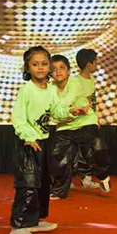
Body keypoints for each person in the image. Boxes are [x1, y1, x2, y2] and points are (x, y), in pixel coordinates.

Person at [8, 46, 60, 234]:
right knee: (28, 184)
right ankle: (18, 225)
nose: (40, 67)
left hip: (43, 142)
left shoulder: (52, 89)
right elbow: (18, 118)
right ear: (27, 68)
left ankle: (34, 220)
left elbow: (56, 111)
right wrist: (28, 136)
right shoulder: (26, 90)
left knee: (42, 183)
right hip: (27, 143)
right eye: (35, 64)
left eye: (44, 64)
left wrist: (71, 111)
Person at [58, 50, 106, 193]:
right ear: (88, 64)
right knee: (73, 154)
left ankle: (87, 179)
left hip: (88, 122)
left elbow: (92, 101)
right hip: (75, 123)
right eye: (95, 62)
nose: (97, 64)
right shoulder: (75, 81)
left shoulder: (92, 80)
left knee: (89, 151)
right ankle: (67, 180)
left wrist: (94, 118)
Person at [45, 55, 77, 199]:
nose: (58, 71)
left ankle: (60, 189)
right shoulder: (50, 88)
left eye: (62, 68)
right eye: (54, 69)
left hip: (77, 125)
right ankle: (60, 186)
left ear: (68, 70)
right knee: (57, 158)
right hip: (58, 126)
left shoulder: (76, 84)